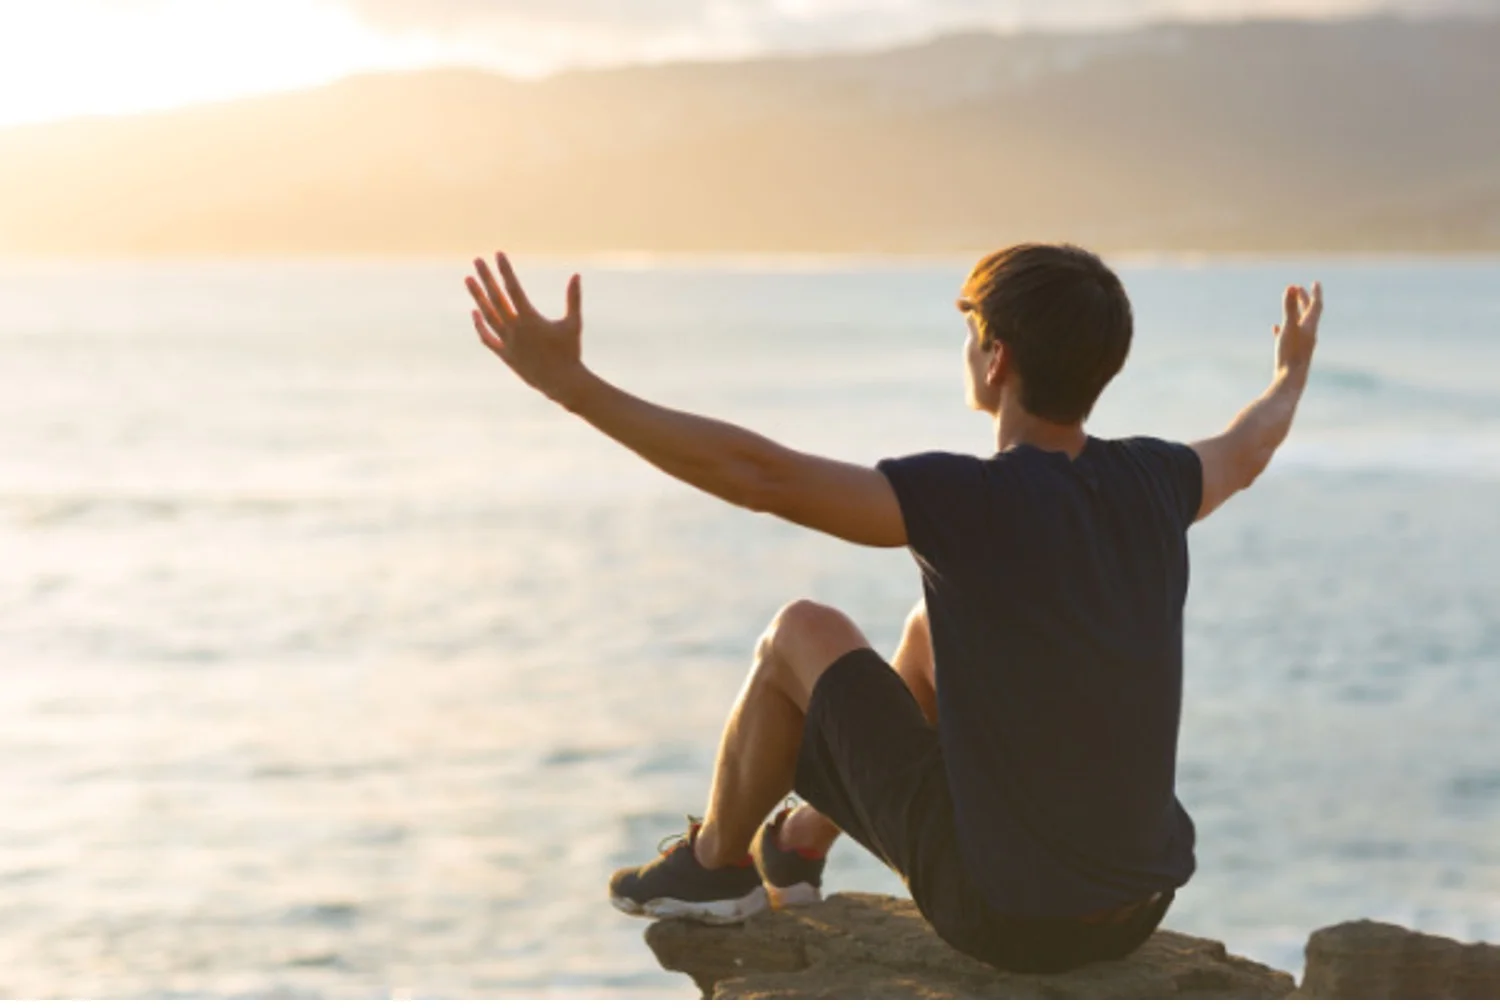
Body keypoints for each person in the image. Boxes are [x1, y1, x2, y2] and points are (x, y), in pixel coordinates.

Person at [464, 244, 1322, 974]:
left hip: (1009, 922)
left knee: (801, 631)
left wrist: (572, 387)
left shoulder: (972, 499)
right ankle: (799, 843)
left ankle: (714, 868)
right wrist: (1289, 374)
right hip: (1139, 904)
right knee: (925, 631)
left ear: (997, 360)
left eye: (971, 336)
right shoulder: (1156, 478)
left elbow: (760, 475)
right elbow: (1251, 445)